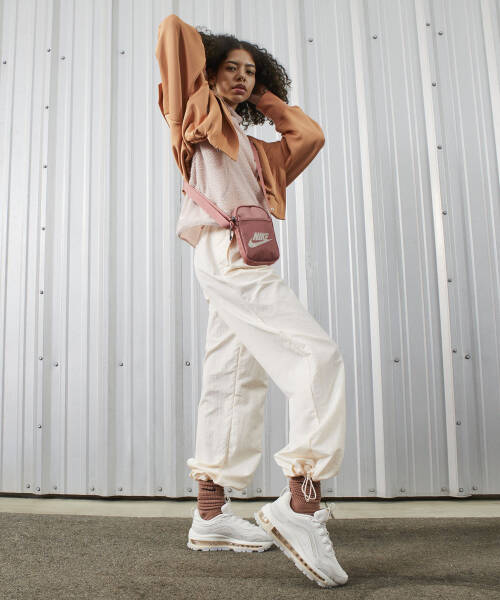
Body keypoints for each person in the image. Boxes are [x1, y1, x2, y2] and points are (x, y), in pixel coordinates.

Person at [155, 14, 348, 588]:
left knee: (234, 378)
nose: (241, 77)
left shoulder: (256, 149)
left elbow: (308, 137)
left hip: (245, 257)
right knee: (316, 357)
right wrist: (212, 74)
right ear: (208, 72)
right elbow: (173, 31)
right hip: (225, 254)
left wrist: (263, 95)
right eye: (231, 69)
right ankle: (301, 505)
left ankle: (211, 515)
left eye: (251, 71)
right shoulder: (197, 116)